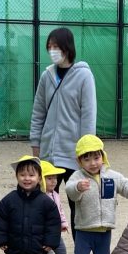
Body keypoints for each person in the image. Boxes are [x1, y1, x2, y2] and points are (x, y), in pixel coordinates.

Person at [30, 27, 98, 238]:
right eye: (49, 47)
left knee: (78, 203)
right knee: (44, 202)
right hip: (49, 154)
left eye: (56, 46)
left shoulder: (84, 75)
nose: (52, 51)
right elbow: (38, 111)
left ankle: (81, 248)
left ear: (67, 48)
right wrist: (35, 144)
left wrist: (86, 152)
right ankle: (47, 245)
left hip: (73, 155)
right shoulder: (46, 76)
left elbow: (88, 115)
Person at [40, 160, 74, 254]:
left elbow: (60, 211)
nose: (54, 181)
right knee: (40, 253)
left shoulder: (55, 194)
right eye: (49, 178)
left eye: (55, 178)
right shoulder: (38, 196)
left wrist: (63, 223)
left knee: (62, 251)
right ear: (40, 180)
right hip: (42, 234)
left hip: (55, 232)